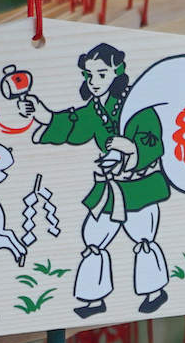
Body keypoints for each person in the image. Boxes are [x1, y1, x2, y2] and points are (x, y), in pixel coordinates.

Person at [17, 42, 170, 318]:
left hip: (140, 185)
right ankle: (93, 299)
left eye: (102, 74)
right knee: (94, 239)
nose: (94, 81)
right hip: (110, 186)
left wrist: (129, 147)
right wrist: (42, 113)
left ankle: (155, 291)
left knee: (144, 237)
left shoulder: (139, 104)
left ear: (117, 71)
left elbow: (152, 142)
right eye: (90, 75)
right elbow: (73, 122)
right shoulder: (96, 110)